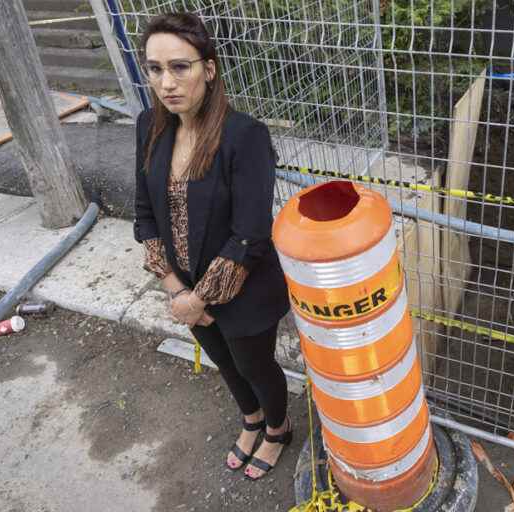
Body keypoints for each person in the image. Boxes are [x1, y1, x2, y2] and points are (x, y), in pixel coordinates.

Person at [132, 12, 291, 481]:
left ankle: (279, 429)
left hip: (244, 291)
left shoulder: (244, 137)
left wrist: (199, 299)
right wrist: (175, 289)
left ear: (210, 68)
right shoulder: (149, 126)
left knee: (255, 365)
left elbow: (250, 235)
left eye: (180, 67)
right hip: (183, 287)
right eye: (155, 68)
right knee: (223, 362)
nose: (167, 82)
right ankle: (252, 420)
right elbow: (145, 215)